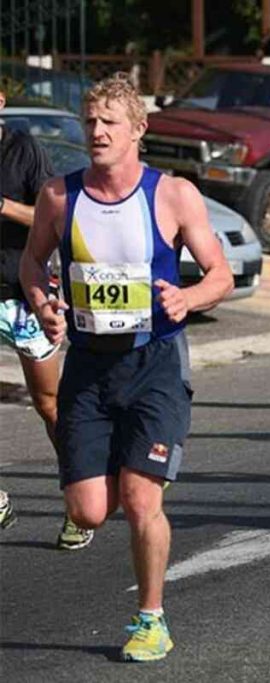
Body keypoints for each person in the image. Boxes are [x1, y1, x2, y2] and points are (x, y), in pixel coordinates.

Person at [20, 73, 233, 661]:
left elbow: (221, 274)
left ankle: (150, 618)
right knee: (88, 510)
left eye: (110, 122)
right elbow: (33, 265)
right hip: (87, 365)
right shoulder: (59, 197)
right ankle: (114, 468)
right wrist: (44, 306)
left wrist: (187, 299)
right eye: (90, 121)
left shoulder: (172, 195)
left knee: (141, 500)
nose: (97, 131)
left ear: (139, 129)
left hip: (155, 363)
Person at [0, 88, 94, 551]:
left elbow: (51, 215)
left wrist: (1, 206)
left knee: (49, 403)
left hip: (21, 296)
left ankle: (80, 501)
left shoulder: (23, 150)